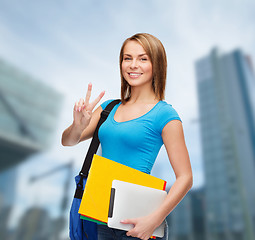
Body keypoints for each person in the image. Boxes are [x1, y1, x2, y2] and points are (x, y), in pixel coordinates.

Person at [62, 33, 193, 240]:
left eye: (143, 58)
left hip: (140, 220)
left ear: (156, 64)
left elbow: (185, 178)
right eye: (127, 58)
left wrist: (155, 219)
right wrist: (78, 126)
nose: (133, 65)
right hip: (100, 216)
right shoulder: (108, 108)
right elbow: (68, 141)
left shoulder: (165, 115)